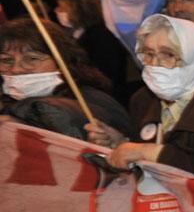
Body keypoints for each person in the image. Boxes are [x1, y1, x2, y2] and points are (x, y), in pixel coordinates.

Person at [87, 14, 194, 175]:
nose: (155, 64)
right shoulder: (143, 98)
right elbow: (142, 154)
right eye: (149, 54)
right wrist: (120, 143)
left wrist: (149, 152)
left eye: (168, 54)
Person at [1, 19, 130, 139]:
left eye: (32, 59)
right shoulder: (7, 101)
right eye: (6, 60)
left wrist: (27, 128)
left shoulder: (91, 100)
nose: (16, 69)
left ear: (62, 60)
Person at [54, 0, 130, 104]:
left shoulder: (100, 35)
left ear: (78, 10)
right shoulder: (76, 32)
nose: (57, 11)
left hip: (107, 95)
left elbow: (107, 70)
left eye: (62, 8)